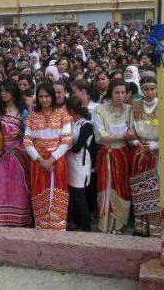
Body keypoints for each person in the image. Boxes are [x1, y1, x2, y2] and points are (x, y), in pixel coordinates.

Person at [23, 82, 72, 230]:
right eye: (41, 96)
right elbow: (27, 141)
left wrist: (51, 159)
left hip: (57, 162)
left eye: (47, 96)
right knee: (40, 193)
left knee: (58, 192)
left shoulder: (63, 115)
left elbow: (66, 141)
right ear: (37, 98)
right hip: (38, 163)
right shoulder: (32, 117)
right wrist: (40, 160)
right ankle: (42, 228)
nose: (44, 100)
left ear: (52, 97)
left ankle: (58, 229)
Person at [129, 76, 164, 237]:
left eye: (152, 88)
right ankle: (143, 228)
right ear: (141, 90)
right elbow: (132, 129)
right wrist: (136, 141)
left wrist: (155, 145)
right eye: (145, 89)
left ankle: (158, 230)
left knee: (158, 190)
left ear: (157, 89)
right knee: (140, 189)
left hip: (158, 152)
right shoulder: (136, 106)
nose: (149, 92)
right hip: (140, 152)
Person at [93, 79, 132, 234]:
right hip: (107, 153)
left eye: (123, 92)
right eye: (117, 92)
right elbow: (100, 134)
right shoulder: (100, 109)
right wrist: (122, 136)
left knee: (122, 187)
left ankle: (119, 224)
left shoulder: (131, 109)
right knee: (106, 186)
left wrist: (126, 136)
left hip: (123, 155)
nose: (120, 96)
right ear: (111, 93)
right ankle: (105, 222)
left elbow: (134, 131)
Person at [0, 80, 30, 227]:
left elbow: (28, 133)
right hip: (2, 155)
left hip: (18, 155)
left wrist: (21, 133)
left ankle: (20, 219)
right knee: (2, 185)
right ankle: (3, 219)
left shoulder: (23, 112)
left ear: (13, 92)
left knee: (19, 187)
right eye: (1, 91)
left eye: (6, 90)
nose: (3, 93)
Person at [65, 96, 93, 231]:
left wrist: (65, 145)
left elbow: (77, 148)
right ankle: (75, 221)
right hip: (69, 162)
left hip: (80, 163)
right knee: (73, 193)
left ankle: (86, 225)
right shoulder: (71, 123)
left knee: (79, 194)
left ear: (70, 110)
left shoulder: (86, 125)